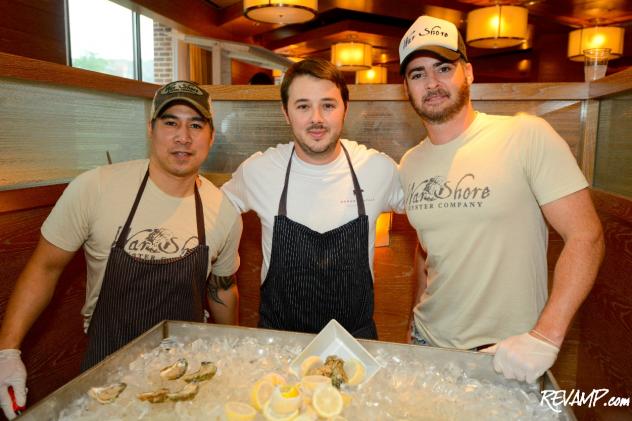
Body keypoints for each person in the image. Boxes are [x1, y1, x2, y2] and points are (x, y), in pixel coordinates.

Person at [0, 80, 242, 419]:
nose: (183, 137)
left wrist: (228, 351)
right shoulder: (96, 187)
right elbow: (45, 268)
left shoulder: (224, 211)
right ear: (151, 129)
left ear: (211, 136)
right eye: (170, 122)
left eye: (196, 125)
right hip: (106, 377)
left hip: (187, 383)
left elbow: (223, 288)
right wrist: (7, 351)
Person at [398, 16, 604, 384]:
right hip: (428, 343)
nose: (432, 82)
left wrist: (545, 336)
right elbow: (427, 248)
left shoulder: (526, 135)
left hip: (508, 355)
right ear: (406, 88)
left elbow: (586, 236)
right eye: (417, 73)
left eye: (444, 67)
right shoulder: (410, 163)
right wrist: (413, 319)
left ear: (469, 73)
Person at [221, 58, 403, 339]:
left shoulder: (376, 168)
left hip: (355, 345)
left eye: (328, 105)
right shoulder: (259, 170)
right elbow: (215, 213)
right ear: (286, 112)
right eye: (303, 106)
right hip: (278, 344)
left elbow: (431, 210)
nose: (316, 118)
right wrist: (223, 271)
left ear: (345, 109)